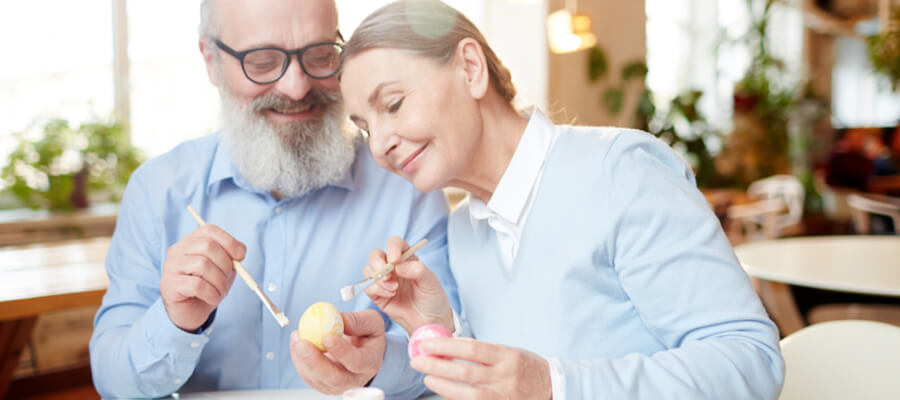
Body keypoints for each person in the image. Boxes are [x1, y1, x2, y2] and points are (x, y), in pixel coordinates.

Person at [338, 1, 785, 399]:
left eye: (393, 105)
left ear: (471, 69)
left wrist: (554, 386)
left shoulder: (622, 172)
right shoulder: (463, 230)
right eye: (364, 127)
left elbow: (750, 361)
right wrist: (434, 328)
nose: (378, 146)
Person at [88, 0, 459, 398]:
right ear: (211, 60)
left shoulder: (407, 186)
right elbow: (113, 383)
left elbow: (453, 350)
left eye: (320, 55)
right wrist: (175, 322)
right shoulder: (158, 189)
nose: (296, 87)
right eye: (262, 62)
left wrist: (379, 366)